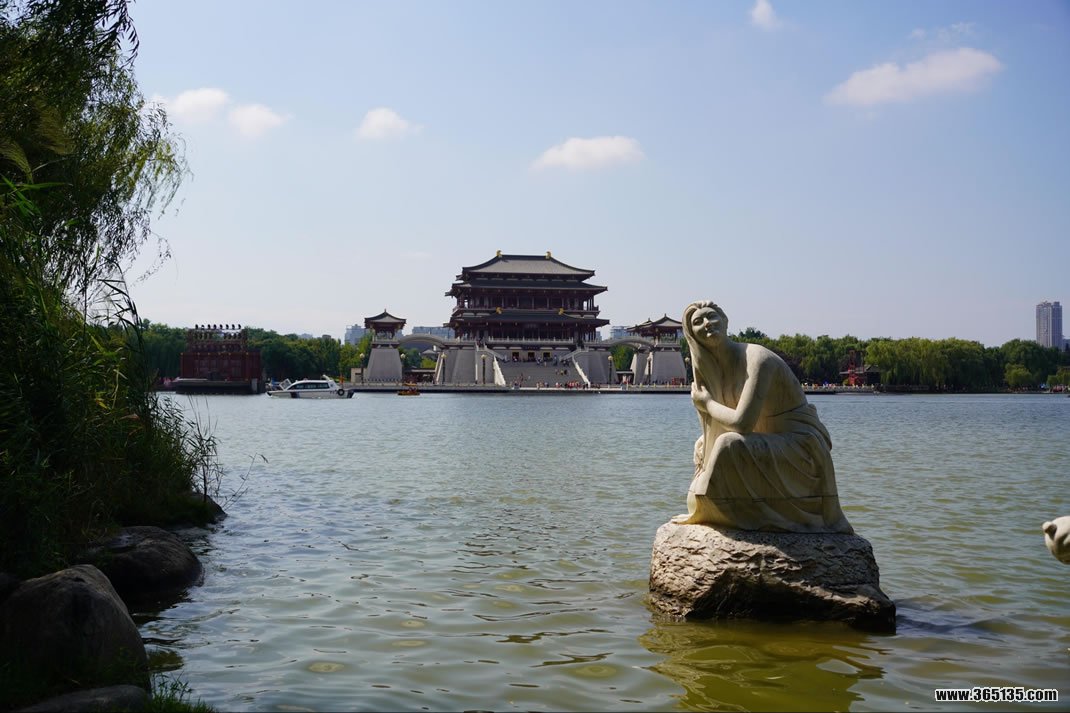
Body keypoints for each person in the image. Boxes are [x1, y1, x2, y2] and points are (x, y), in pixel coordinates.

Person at [672, 301, 853, 534]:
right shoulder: (715, 370)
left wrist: (707, 403)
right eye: (698, 322)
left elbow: (742, 424)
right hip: (769, 437)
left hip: (801, 446)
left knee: (727, 444)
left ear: (725, 321)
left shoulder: (757, 359)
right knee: (702, 447)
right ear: (692, 335)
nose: (707, 324)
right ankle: (731, 509)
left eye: (711, 316)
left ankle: (752, 513)